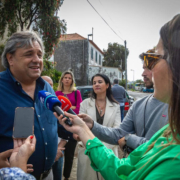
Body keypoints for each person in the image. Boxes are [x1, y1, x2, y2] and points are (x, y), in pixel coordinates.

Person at [56, 14, 180, 179]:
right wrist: (86, 128)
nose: (144, 72)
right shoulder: (167, 132)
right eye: (94, 82)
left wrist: (127, 139)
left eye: (152, 60)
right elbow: (122, 167)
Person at [0, 31, 73, 179]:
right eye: (28, 54)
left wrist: (62, 143)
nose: (37, 60)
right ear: (10, 58)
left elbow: (55, 125)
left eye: (39, 55)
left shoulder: (47, 88)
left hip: (48, 174)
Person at [78, 49, 168, 152]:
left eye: (149, 68)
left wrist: (130, 139)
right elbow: (119, 134)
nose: (143, 73)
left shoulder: (175, 107)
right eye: (143, 68)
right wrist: (93, 125)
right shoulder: (138, 105)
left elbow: (167, 148)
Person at [77, 74, 120, 180]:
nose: (96, 84)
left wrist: (102, 147)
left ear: (107, 85)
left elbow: (117, 129)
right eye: (94, 83)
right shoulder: (84, 104)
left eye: (100, 82)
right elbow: (80, 127)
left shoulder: (115, 106)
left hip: (108, 151)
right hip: (88, 151)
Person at [55, 70, 82, 180]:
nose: (67, 79)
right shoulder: (56, 94)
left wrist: (64, 109)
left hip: (71, 126)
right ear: (62, 80)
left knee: (70, 154)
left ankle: (66, 176)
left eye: (69, 78)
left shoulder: (76, 93)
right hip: (59, 126)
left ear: (72, 81)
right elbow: (54, 109)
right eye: (65, 77)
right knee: (56, 152)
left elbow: (79, 108)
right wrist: (71, 108)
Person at [42, 75, 67, 180]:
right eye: (45, 84)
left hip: (58, 150)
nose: (49, 87)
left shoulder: (57, 105)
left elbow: (66, 130)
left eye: (51, 85)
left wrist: (58, 148)